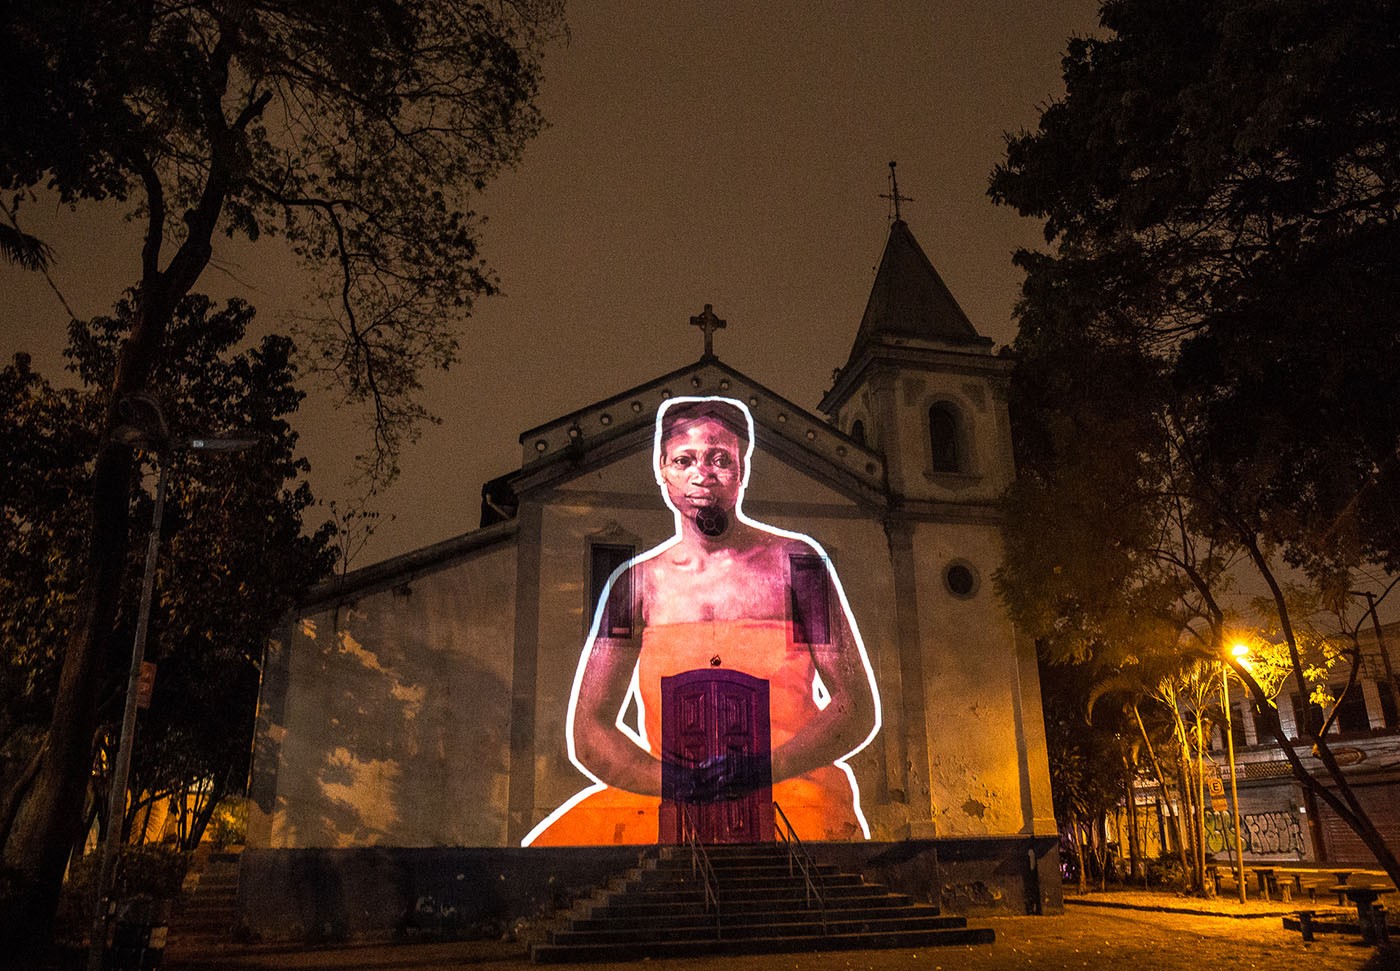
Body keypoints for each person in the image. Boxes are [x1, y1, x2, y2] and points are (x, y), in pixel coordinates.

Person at [522, 397, 880, 846]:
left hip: (794, 798)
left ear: (742, 470)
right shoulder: (633, 588)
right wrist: (674, 781)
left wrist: (764, 769)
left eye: (719, 459)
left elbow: (857, 707)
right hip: (666, 803)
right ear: (663, 471)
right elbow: (590, 728)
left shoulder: (799, 567)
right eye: (684, 459)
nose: (702, 474)